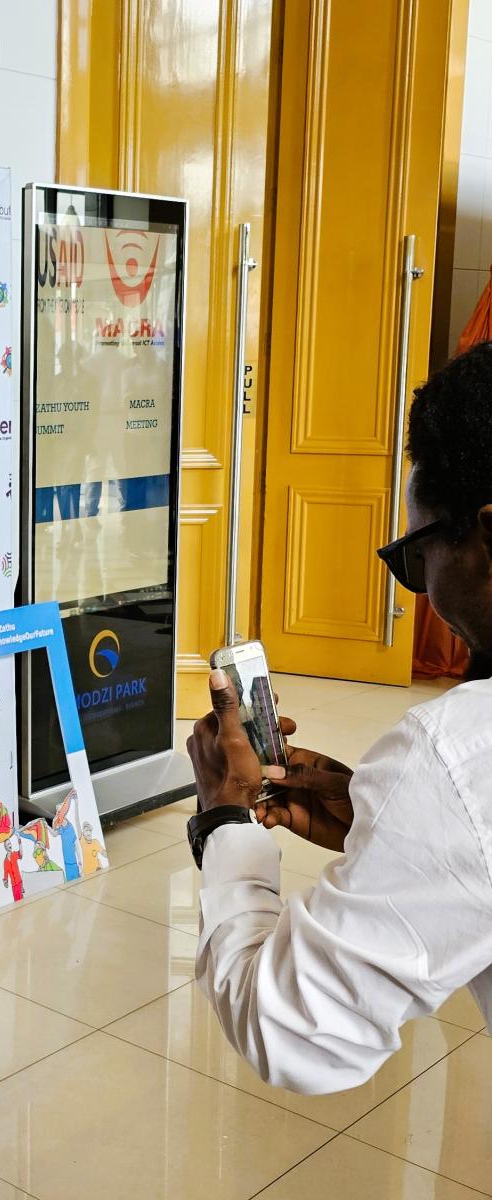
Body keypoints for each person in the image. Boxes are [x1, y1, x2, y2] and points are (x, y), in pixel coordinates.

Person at [185, 342, 492, 1095]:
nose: (420, 591)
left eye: (416, 558)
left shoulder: (458, 755)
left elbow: (295, 1031)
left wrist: (226, 822)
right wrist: (389, 827)